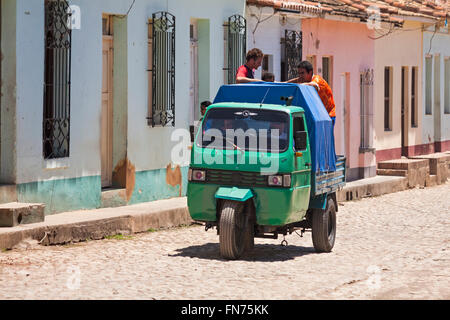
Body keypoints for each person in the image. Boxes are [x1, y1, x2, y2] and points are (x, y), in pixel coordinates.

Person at [287, 61, 336, 126]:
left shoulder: (317, 80)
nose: (300, 76)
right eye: (299, 73)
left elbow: (312, 85)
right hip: (319, 116)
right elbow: (295, 80)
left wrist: (298, 85)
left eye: (302, 73)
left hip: (328, 116)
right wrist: (282, 83)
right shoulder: (304, 79)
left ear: (310, 72)